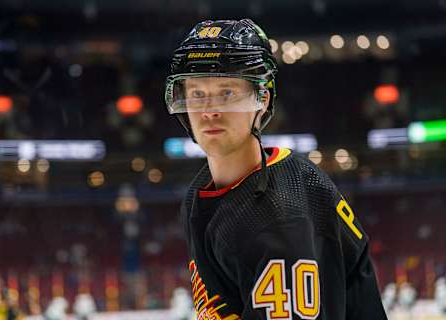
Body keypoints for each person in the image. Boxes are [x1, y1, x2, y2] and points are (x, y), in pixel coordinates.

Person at [165, 19, 387, 320]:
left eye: (227, 92)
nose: (210, 110)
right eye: (197, 94)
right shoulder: (200, 192)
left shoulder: (282, 216)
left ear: (262, 98)